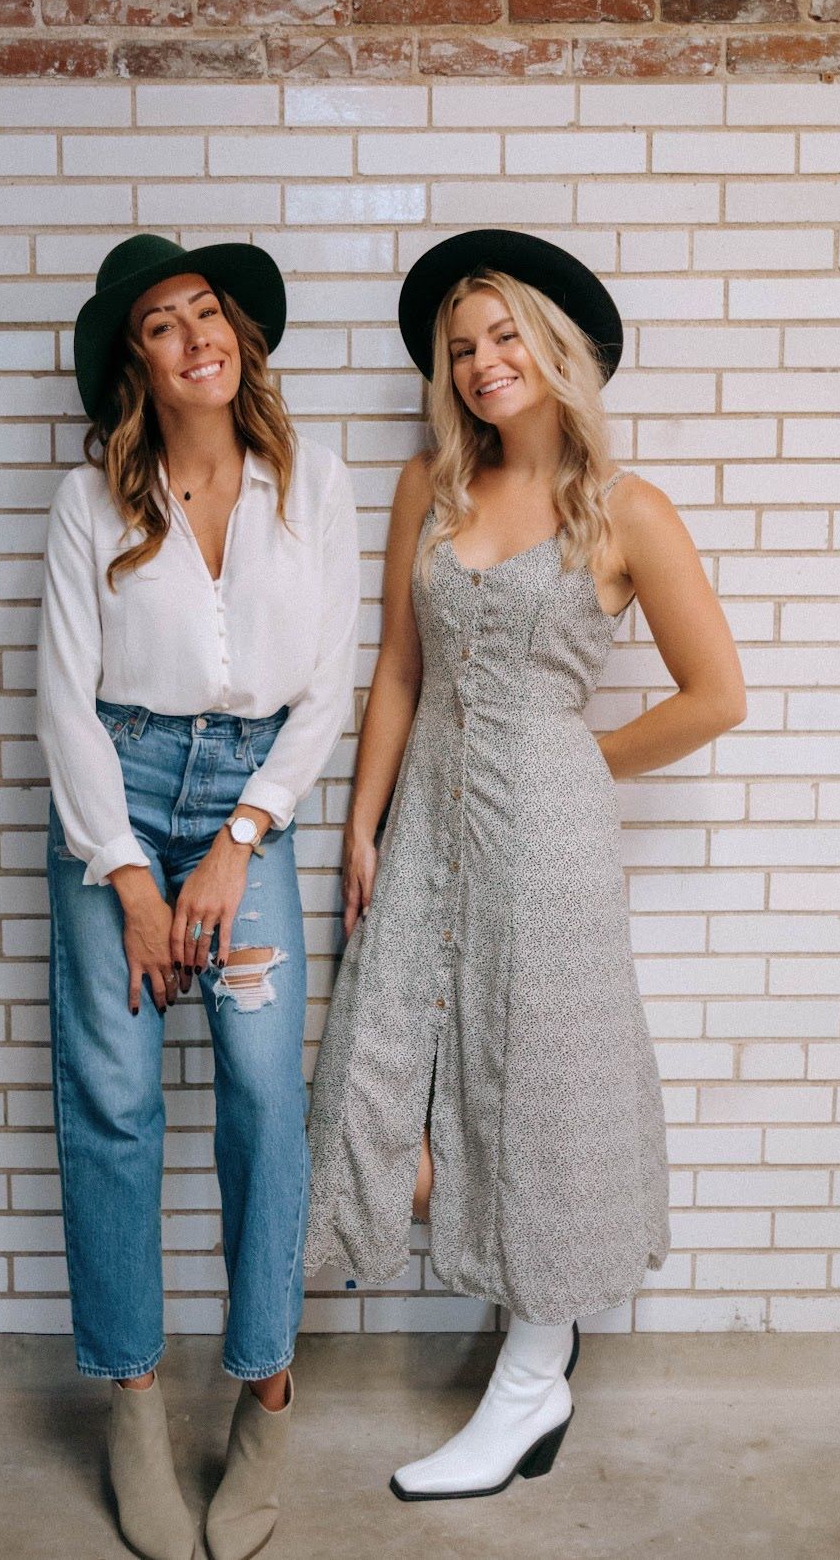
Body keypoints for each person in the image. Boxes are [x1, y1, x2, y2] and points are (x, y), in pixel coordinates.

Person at [305, 229, 746, 1502]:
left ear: (556, 349)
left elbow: (716, 694)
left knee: (540, 1089)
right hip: (426, 824)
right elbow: (398, 669)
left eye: (505, 337)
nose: (483, 363)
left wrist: (587, 757)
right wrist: (360, 822)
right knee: (380, 1076)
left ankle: (529, 1373)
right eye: (462, 349)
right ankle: (530, 1364)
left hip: (549, 837)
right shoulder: (425, 491)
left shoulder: (626, 511)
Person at [37, 233, 359, 1560]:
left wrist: (237, 840)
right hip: (112, 799)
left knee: (261, 1093)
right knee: (112, 1098)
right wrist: (127, 876)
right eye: (162, 323)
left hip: (248, 806)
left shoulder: (313, 481)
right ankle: (127, 1405)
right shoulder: (88, 500)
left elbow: (327, 682)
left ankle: (266, 1393)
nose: (193, 335)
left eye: (207, 312)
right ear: (138, 362)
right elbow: (61, 697)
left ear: (241, 339)